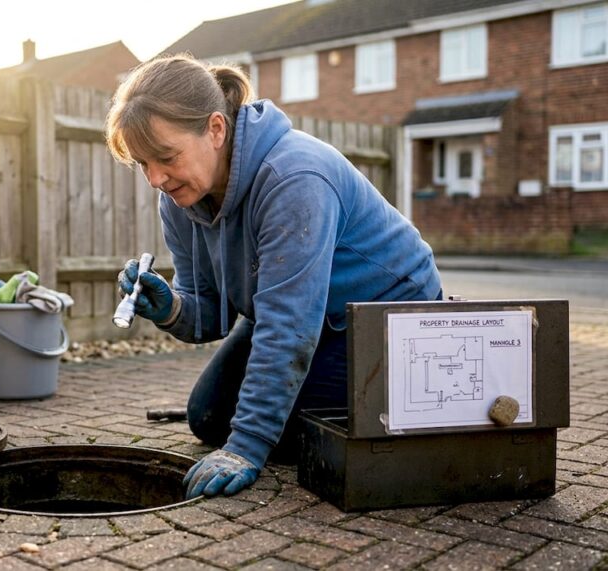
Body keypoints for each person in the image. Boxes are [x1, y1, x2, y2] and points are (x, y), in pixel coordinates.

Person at [106, 54, 442, 500]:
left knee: (275, 429)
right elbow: (212, 314)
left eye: (165, 157)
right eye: (143, 164)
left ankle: (414, 398)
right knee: (209, 416)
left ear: (216, 129)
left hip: (385, 315)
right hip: (298, 313)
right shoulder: (180, 198)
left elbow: (288, 326)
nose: (155, 178)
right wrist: (171, 308)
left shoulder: (294, 177)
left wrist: (246, 447)